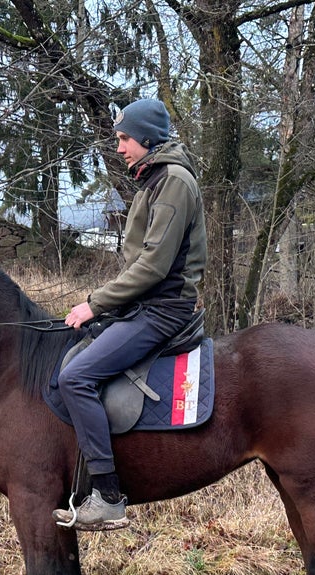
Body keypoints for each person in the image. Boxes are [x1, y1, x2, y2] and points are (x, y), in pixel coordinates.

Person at [53, 98, 207, 531]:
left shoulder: (173, 181)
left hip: (163, 311)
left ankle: (107, 495)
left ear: (147, 138)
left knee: (75, 377)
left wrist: (96, 303)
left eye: (124, 138)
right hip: (145, 305)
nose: (119, 147)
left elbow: (154, 266)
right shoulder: (153, 181)